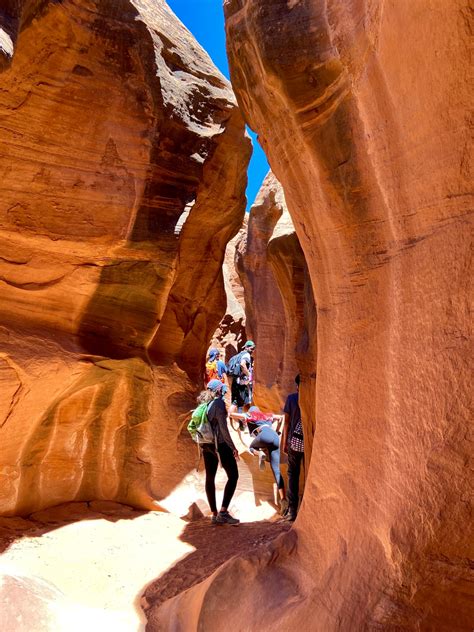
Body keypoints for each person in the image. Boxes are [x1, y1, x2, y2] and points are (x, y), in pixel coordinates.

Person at [229, 406, 288, 515]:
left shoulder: (251, 415)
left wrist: (232, 407)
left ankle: (259, 453)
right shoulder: (267, 415)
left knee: (251, 448)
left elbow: (232, 415)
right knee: (276, 470)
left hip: (263, 435)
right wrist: (278, 431)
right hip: (274, 437)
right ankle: (283, 499)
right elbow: (280, 417)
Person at [200, 379, 240, 525]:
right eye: (222, 390)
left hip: (207, 445)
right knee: (234, 476)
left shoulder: (204, 404)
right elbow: (223, 429)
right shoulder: (218, 404)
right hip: (220, 445)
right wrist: (233, 447)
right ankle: (223, 512)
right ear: (218, 391)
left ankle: (214, 514)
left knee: (210, 478)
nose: (223, 392)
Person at [282, 375, 304, 522]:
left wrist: (284, 442)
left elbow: (286, 423)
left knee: (293, 475)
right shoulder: (312, 398)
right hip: (308, 444)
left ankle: (292, 511)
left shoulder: (291, 399)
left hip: (294, 442)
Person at [229, 340, 255, 414]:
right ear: (246, 347)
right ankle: (242, 424)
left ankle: (229, 419)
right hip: (242, 383)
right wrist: (249, 375)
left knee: (234, 402)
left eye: (254, 348)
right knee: (242, 404)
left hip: (235, 382)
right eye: (252, 348)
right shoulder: (246, 355)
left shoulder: (239, 355)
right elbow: (242, 364)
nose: (253, 350)